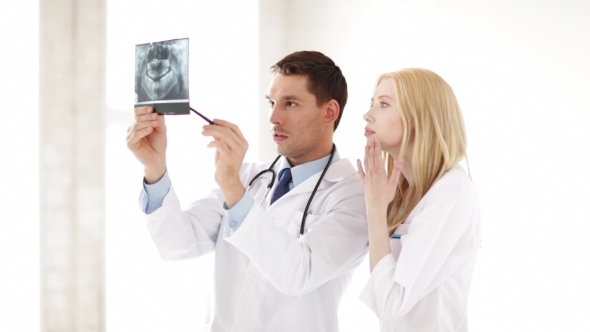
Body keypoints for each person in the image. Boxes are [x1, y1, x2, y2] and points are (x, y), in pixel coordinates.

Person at [126, 51, 368, 332]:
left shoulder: (356, 196)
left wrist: (233, 188)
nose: (274, 117)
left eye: (290, 103)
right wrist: (154, 167)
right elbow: (177, 244)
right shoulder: (249, 177)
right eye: (271, 103)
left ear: (329, 112)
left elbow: (299, 274)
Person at [356, 68, 482, 331]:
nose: (368, 115)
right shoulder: (402, 195)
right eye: (372, 104)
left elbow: (392, 305)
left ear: (418, 117)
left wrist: (376, 213)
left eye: (383, 104)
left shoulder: (452, 191)